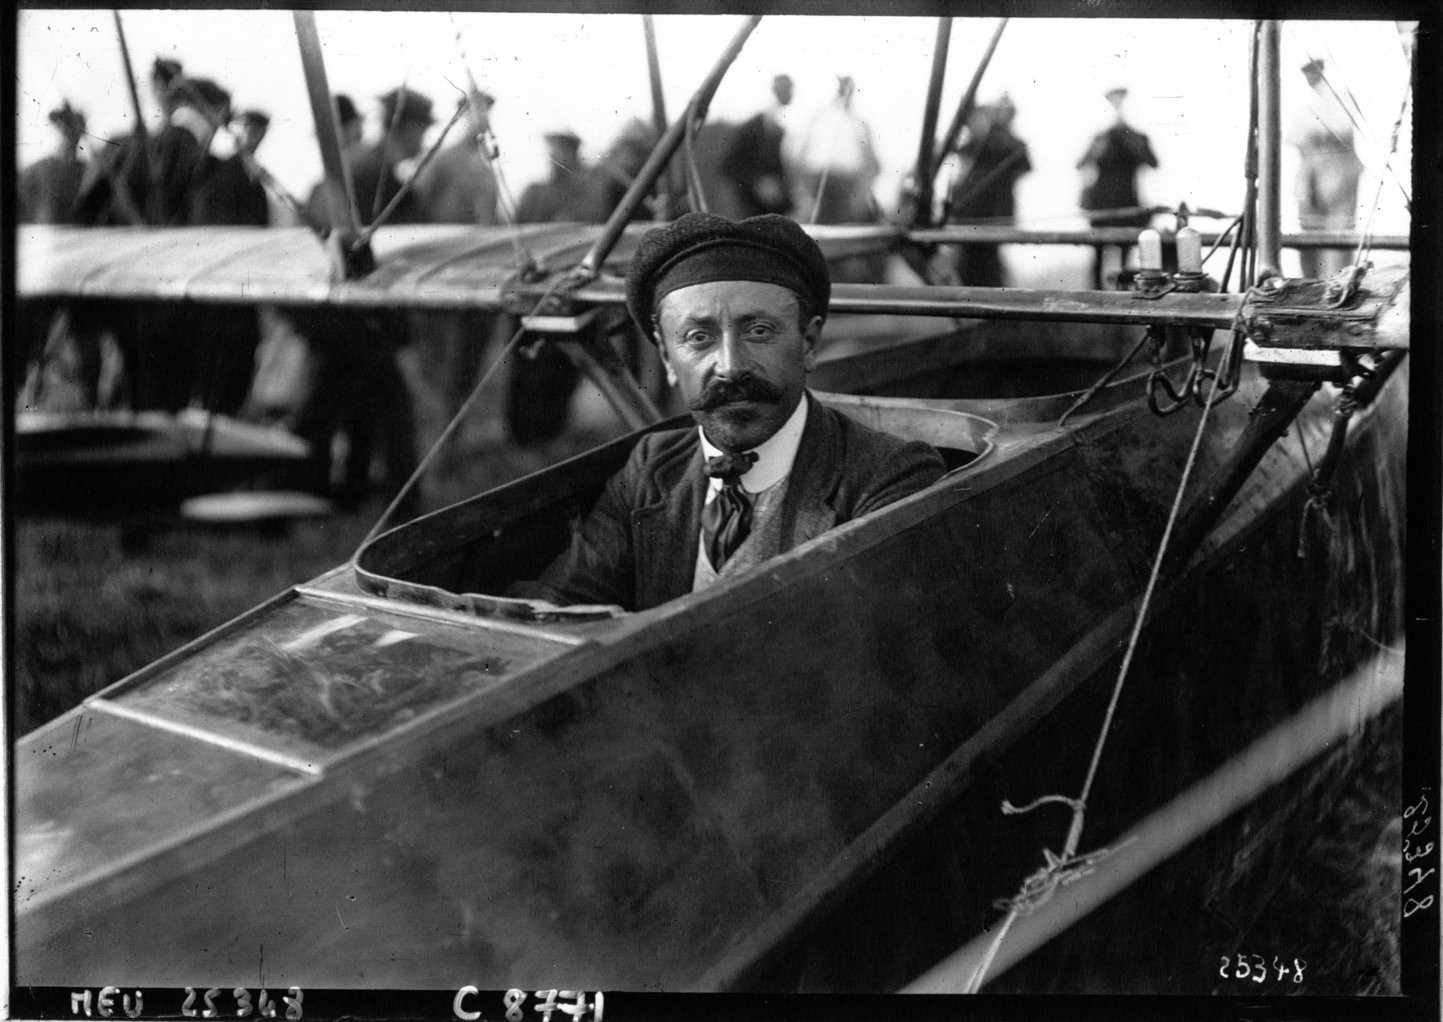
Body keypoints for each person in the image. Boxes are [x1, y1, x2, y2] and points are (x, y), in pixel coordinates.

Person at [510, 212, 946, 613]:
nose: (732, 365)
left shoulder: (889, 478)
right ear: (666, 358)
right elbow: (563, 600)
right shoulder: (651, 468)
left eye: (758, 331)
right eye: (699, 337)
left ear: (808, 343)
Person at [508, 129, 607, 446]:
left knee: (563, 367)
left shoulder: (589, 193)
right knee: (526, 364)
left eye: (561, 152)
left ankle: (551, 432)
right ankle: (523, 436)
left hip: (569, 292)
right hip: (530, 291)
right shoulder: (533, 192)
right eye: (551, 152)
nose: (555, 159)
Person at [1288, 58, 1364, 279]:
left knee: (1338, 237)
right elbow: (1294, 137)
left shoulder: (1342, 99)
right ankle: (1310, 286)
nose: (1311, 78)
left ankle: (1338, 285)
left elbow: (1343, 129)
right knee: (1309, 237)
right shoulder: (1307, 106)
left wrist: (1318, 133)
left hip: (1340, 174)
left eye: (1314, 72)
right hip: (1311, 177)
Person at [1077, 86, 1159, 289]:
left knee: (1124, 260)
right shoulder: (1101, 137)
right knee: (1097, 259)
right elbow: (1080, 163)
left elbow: (1153, 162)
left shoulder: (1136, 136)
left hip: (1126, 205)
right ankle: (1095, 304)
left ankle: (1121, 300)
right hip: (1101, 207)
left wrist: (1128, 136)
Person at [946, 95, 1032, 288]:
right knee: (971, 264)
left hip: (992, 213)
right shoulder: (976, 144)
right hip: (970, 213)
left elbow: (1024, 164)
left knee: (987, 264)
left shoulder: (1005, 142)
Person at [720, 73, 795, 218]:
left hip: (773, 211)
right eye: (785, 89)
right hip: (750, 211)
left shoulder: (779, 130)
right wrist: (758, 182)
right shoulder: (752, 127)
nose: (789, 93)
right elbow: (727, 165)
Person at [19, 101, 88, 224]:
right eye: (67, 127)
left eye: (75, 129)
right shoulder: (43, 167)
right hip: (45, 229)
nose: (71, 134)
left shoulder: (86, 169)